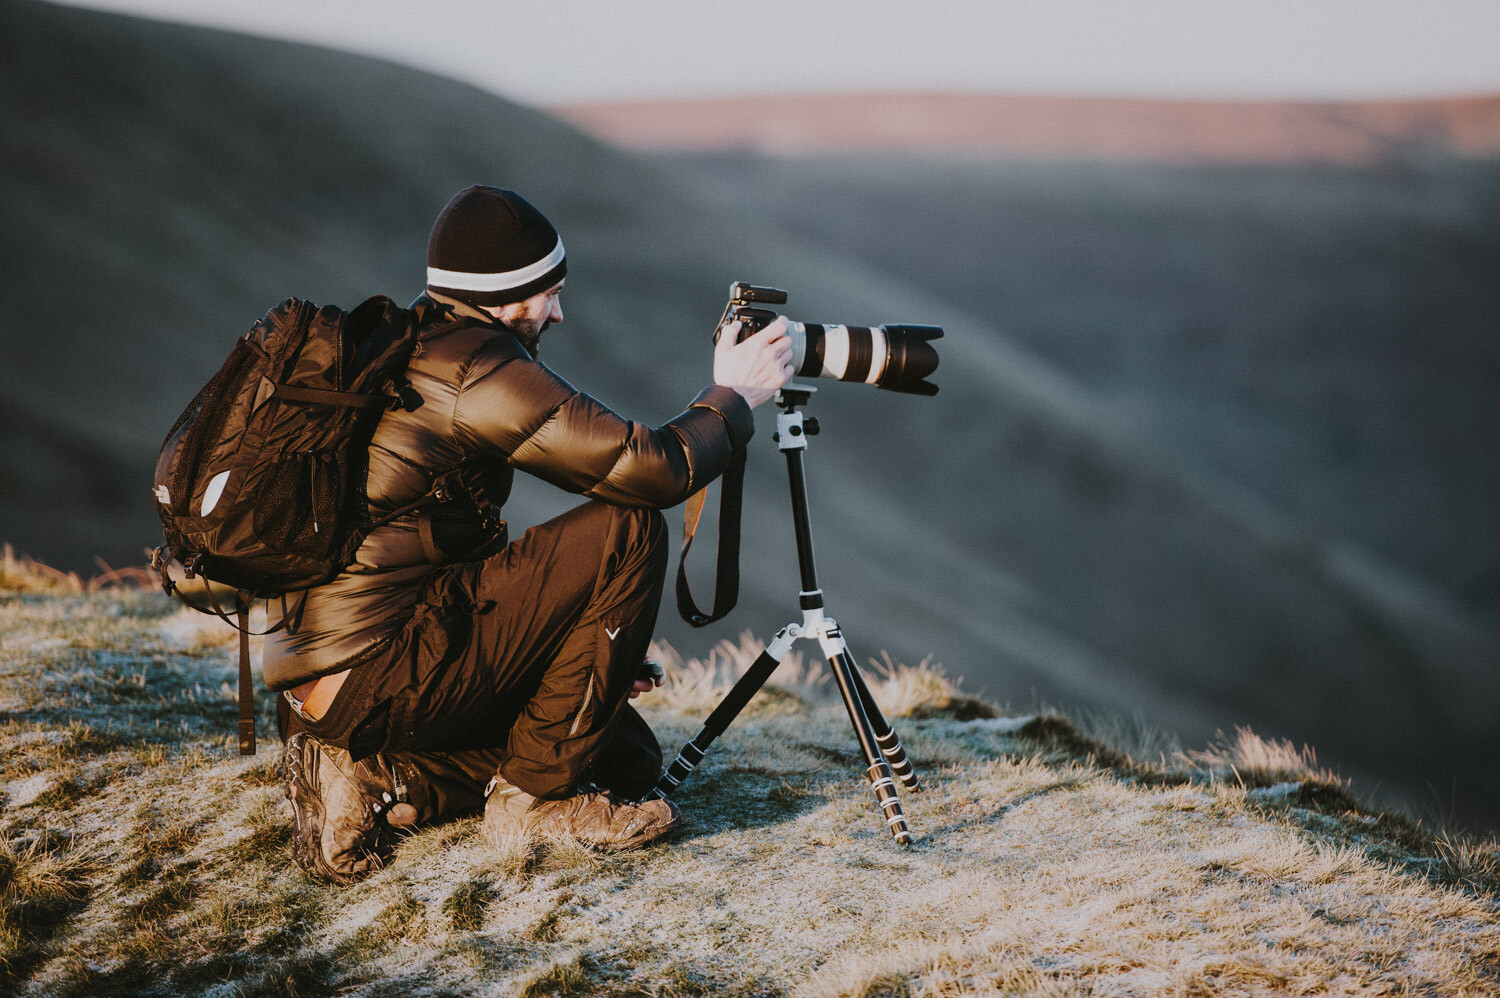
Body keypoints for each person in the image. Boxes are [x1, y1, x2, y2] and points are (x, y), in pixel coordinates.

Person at [268, 185, 793, 884]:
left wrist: (571, 644)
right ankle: (535, 806)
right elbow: (649, 470)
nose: (558, 310)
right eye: (549, 292)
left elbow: (437, 549)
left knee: (622, 754)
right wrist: (732, 395)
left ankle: (379, 779)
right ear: (508, 293)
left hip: (320, 681)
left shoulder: (408, 347)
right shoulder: (475, 368)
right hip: (380, 669)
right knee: (627, 527)